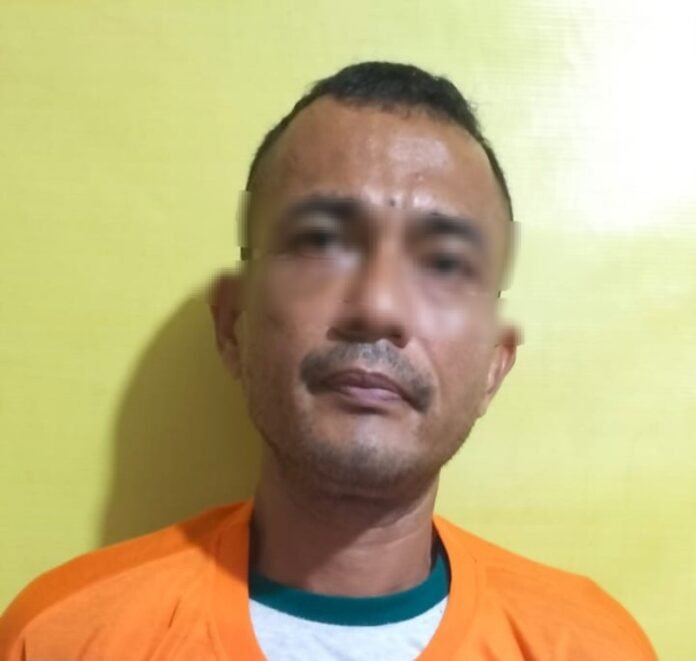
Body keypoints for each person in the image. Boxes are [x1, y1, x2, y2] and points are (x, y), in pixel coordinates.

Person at [0, 61, 657, 660]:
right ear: (233, 323)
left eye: (444, 263)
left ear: (494, 364)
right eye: (320, 242)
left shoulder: (593, 650)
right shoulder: (64, 639)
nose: (377, 306)